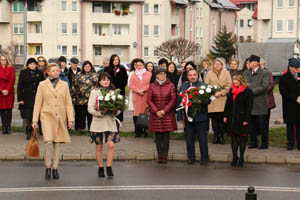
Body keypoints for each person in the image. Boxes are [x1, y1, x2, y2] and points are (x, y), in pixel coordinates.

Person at [32, 63, 74, 180]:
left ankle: (55, 168)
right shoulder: (42, 85)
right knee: (48, 142)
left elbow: (68, 104)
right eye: (53, 71)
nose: (56, 72)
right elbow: (38, 103)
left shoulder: (64, 85)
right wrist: (34, 120)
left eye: (57, 70)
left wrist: (70, 119)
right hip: (46, 117)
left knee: (57, 143)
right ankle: (47, 166)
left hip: (60, 117)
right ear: (48, 72)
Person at [88, 72, 120, 178]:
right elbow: (90, 108)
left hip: (110, 123)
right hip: (98, 123)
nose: (106, 81)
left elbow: (119, 108)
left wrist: (116, 111)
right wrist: (100, 112)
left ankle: (109, 167)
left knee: (111, 145)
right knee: (99, 146)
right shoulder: (94, 92)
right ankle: (100, 167)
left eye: (108, 79)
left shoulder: (114, 92)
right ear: (99, 81)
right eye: (103, 79)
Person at [177, 69, 211, 165]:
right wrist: (179, 116)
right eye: (190, 75)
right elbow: (179, 101)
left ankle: (204, 158)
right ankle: (191, 157)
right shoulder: (184, 86)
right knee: (189, 138)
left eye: (194, 75)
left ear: (197, 76)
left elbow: (209, 100)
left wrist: (202, 101)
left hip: (201, 117)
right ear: (187, 77)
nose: (192, 76)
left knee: (202, 138)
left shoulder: (203, 86)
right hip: (188, 117)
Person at [147, 68, 177, 163]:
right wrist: (156, 111)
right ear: (156, 75)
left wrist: (164, 110)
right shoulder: (152, 86)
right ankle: (160, 155)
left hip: (167, 114)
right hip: (155, 115)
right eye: (160, 74)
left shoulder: (171, 85)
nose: (162, 75)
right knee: (158, 136)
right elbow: (149, 100)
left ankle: (165, 155)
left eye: (164, 74)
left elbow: (173, 99)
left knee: (166, 136)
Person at [224, 72, 253, 167]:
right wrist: (225, 116)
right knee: (233, 139)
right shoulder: (231, 91)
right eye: (233, 80)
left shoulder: (248, 91)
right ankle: (234, 157)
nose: (234, 81)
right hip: (232, 118)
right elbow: (227, 104)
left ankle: (241, 157)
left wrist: (246, 119)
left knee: (242, 139)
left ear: (241, 81)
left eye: (236, 80)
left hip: (242, 119)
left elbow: (249, 107)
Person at [244, 55, 269, 149]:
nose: (249, 63)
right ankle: (253, 142)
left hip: (260, 103)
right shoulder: (246, 72)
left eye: (250, 61)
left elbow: (264, 86)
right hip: (249, 104)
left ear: (257, 62)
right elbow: (245, 84)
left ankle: (264, 143)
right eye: (248, 62)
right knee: (251, 125)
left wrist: (251, 92)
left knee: (262, 125)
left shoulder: (264, 73)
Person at [205, 58, 232, 144]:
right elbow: (206, 85)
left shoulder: (226, 73)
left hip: (223, 98)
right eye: (216, 64)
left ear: (222, 65)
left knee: (221, 119)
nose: (217, 65)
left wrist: (222, 92)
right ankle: (215, 136)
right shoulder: (209, 73)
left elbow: (229, 85)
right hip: (213, 99)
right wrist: (213, 92)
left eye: (219, 64)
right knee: (214, 120)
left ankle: (221, 136)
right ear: (213, 65)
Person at [17, 58, 44, 140]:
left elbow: (43, 85)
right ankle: (29, 132)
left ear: (36, 65)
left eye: (34, 64)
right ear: (28, 65)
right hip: (27, 98)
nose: (32, 65)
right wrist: (20, 98)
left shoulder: (39, 73)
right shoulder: (23, 72)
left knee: (37, 116)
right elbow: (20, 86)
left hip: (37, 97)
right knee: (28, 116)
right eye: (31, 64)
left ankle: (36, 132)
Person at [71, 60, 98, 134]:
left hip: (91, 99)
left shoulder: (95, 75)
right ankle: (81, 129)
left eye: (89, 66)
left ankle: (91, 129)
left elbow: (98, 86)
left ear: (91, 67)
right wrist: (73, 97)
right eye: (85, 66)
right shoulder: (79, 74)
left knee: (90, 115)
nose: (87, 68)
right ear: (83, 67)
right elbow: (74, 86)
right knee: (81, 115)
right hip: (80, 99)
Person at [279, 58, 300, 150]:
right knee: (290, 125)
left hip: (299, 105)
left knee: (299, 124)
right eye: (295, 68)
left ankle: (299, 143)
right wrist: (295, 98)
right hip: (289, 105)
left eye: (298, 68)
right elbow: (284, 91)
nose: (297, 70)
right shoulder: (284, 77)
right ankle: (290, 143)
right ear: (290, 67)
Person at [129, 59, 152, 138]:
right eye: (137, 65)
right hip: (136, 96)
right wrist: (138, 91)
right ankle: (137, 132)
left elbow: (150, 84)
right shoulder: (133, 74)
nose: (139, 67)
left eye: (140, 65)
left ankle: (145, 131)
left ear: (143, 65)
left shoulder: (148, 74)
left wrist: (143, 89)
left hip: (145, 95)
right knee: (136, 114)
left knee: (145, 113)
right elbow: (130, 85)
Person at [106, 54, 128, 123]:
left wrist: (119, 89)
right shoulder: (107, 69)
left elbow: (125, 79)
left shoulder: (122, 68)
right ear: (111, 60)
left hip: (120, 91)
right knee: (111, 107)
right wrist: (112, 88)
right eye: (114, 59)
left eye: (117, 59)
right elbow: (106, 79)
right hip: (110, 91)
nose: (116, 61)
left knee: (119, 108)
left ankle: (118, 125)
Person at [260, 58, 276, 138]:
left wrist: (261, 92)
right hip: (257, 101)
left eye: (261, 64)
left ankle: (265, 136)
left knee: (265, 119)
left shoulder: (268, 73)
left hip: (267, 100)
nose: (260, 66)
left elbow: (271, 85)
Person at [0, 55, 15, 134]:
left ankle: (8, 127)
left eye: (4, 60)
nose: (3, 61)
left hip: (9, 91)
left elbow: (12, 80)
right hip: (0, 92)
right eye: (2, 60)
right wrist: (2, 90)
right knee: (2, 110)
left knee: (9, 110)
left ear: (7, 60)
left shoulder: (11, 68)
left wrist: (7, 90)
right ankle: (4, 127)